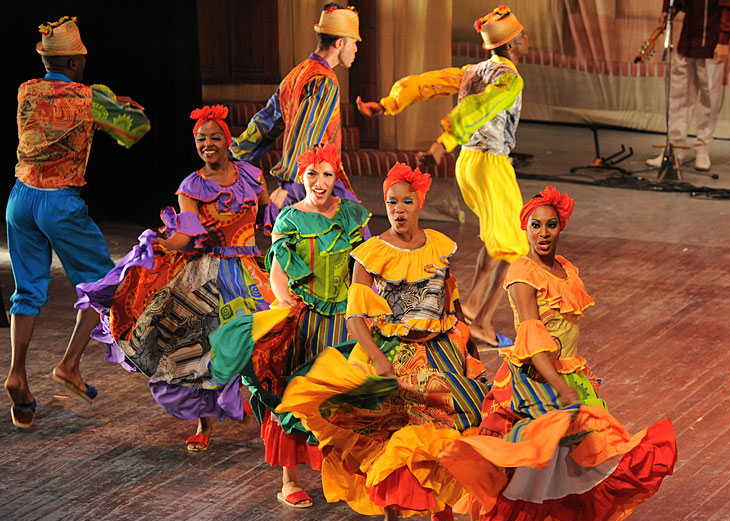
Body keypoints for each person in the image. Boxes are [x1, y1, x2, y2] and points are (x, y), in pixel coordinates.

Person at [438, 186, 677, 521]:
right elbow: (531, 336)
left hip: (573, 380)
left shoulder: (567, 269)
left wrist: (572, 383)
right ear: (524, 228)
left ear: (560, 227)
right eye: (536, 225)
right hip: (534, 384)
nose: (543, 233)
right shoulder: (520, 272)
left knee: (598, 472)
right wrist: (560, 385)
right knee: (528, 476)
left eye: (551, 225)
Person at [270, 162, 490, 521]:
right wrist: (377, 359)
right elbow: (355, 317)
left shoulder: (439, 245)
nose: (399, 209)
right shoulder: (370, 254)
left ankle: (441, 499)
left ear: (419, 202)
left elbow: (450, 299)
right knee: (389, 437)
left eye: (407, 201)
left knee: (445, 428)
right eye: (391, 202)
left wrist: (466, 342)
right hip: (392, 353)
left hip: (440, 350)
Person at [76, 105, 273, 451]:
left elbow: (269, 223)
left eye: (214, 137)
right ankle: (204, 422)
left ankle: (268, 412)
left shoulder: (253, 177)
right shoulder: (191, 186)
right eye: (200, 139)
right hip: (209, 273)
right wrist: (159, 244)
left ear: (228, 140)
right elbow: (187, 233)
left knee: (266, 338)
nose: (207, 144)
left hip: (248, 270)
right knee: (199, 344)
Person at [5, 16, 150, 429]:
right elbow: (135, 130)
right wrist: (116, 108)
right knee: (105, 284)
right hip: (59, 201)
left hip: (20, 198)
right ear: (73, 63)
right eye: (81, 62)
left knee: (26, 290)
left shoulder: (26, 91)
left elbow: (61, 104)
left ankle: (17, 373)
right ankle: (69, 364)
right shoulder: (89, 100)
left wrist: (105, 100)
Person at [356, 5, 530, 349]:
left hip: (470, 164)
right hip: (490, 164)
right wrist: (442, 144)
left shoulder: (472, 71)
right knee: (514, 247)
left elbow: (427, 83)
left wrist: (390, 103)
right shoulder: (509, 79)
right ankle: (478, 317)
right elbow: (477, 109)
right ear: (510, 46)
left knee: (499, 242)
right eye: (522, 36)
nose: (527, 39)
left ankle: (478, 314)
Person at [210, 142, 370, 508]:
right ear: (302, 176)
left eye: (327, 174)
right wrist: (284, 303)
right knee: (292, 396)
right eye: (312, 174)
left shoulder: (352, 215)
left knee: (342, 397)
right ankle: (289, 479)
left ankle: (342, 473)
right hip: (306, 319)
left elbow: (362, 269)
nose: (319, 181)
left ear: (336, 178)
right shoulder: (290, 219)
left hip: (343, 319)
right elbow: (279, 270)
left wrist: (363, 309)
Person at [230, 2, 361, 227]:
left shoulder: (297, 73)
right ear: (340, 43)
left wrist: (235, 154)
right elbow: (306, 133)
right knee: (355, 240)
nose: (356, 50)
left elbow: (266, 122)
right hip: (313, 181)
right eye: (354, 43)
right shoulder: (325, 81)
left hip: (307, 179)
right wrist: (289, 183)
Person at [645, 0, 730, 171]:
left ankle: (703, 150)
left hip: (712, 43)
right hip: (687, 42)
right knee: (678, 96)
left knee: (710, 99)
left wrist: (724, 40)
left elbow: (728, 10)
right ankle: (674, 150)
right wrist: (667, 10)